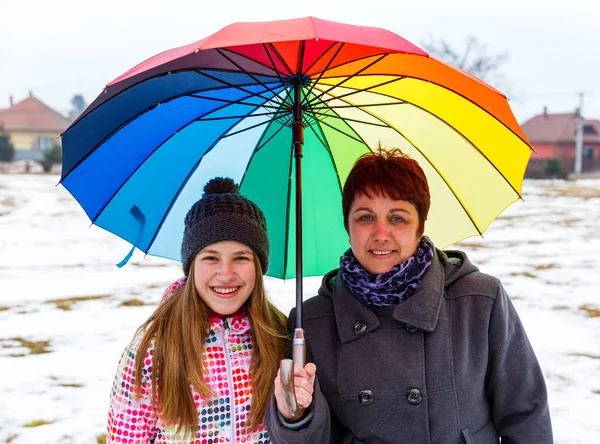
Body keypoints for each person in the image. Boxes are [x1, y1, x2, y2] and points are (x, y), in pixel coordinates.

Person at [266, 149, 553, 443]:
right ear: (347, 226)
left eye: (398, 218)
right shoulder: (312, 321)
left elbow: (526, 415)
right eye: (365, 217)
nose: (380, 233)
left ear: (420, 227)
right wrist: (296, 418)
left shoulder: (479, 300)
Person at [107, 177, 287, 443]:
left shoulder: (280, 337)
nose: (226, 274)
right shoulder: (153, 350)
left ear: (259, 267)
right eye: (211, 258)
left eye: (241, 258)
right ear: (191, 266)